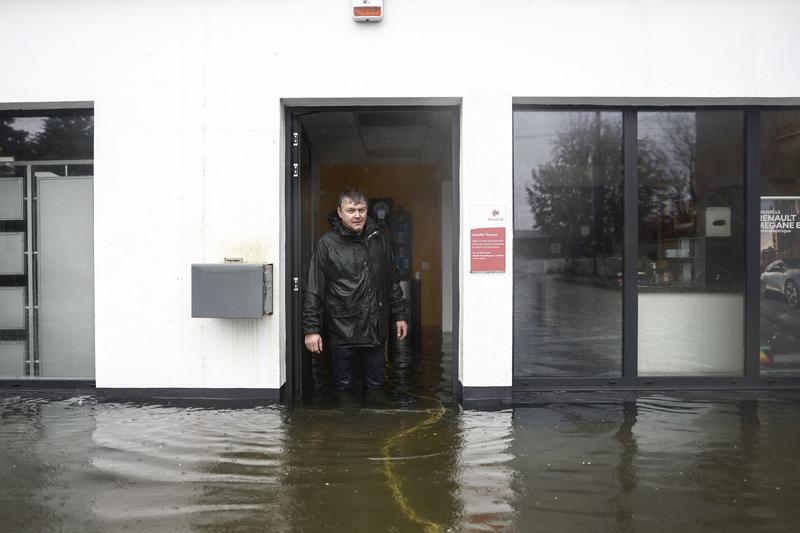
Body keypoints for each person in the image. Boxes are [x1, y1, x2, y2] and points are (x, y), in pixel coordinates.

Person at [303, 188, 409, 395]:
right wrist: (311, 329)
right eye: (351, 210)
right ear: (339, 212)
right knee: (343, 388)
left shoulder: (379, 239)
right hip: (342, 329)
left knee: (376, 386)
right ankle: (347, 425)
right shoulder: (327, 244)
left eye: (361, 209)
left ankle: (372, 427)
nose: (357, 215)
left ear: (367, 210)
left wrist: (400, 316)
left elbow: (391, 281)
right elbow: (314, 288)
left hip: (374, 328)